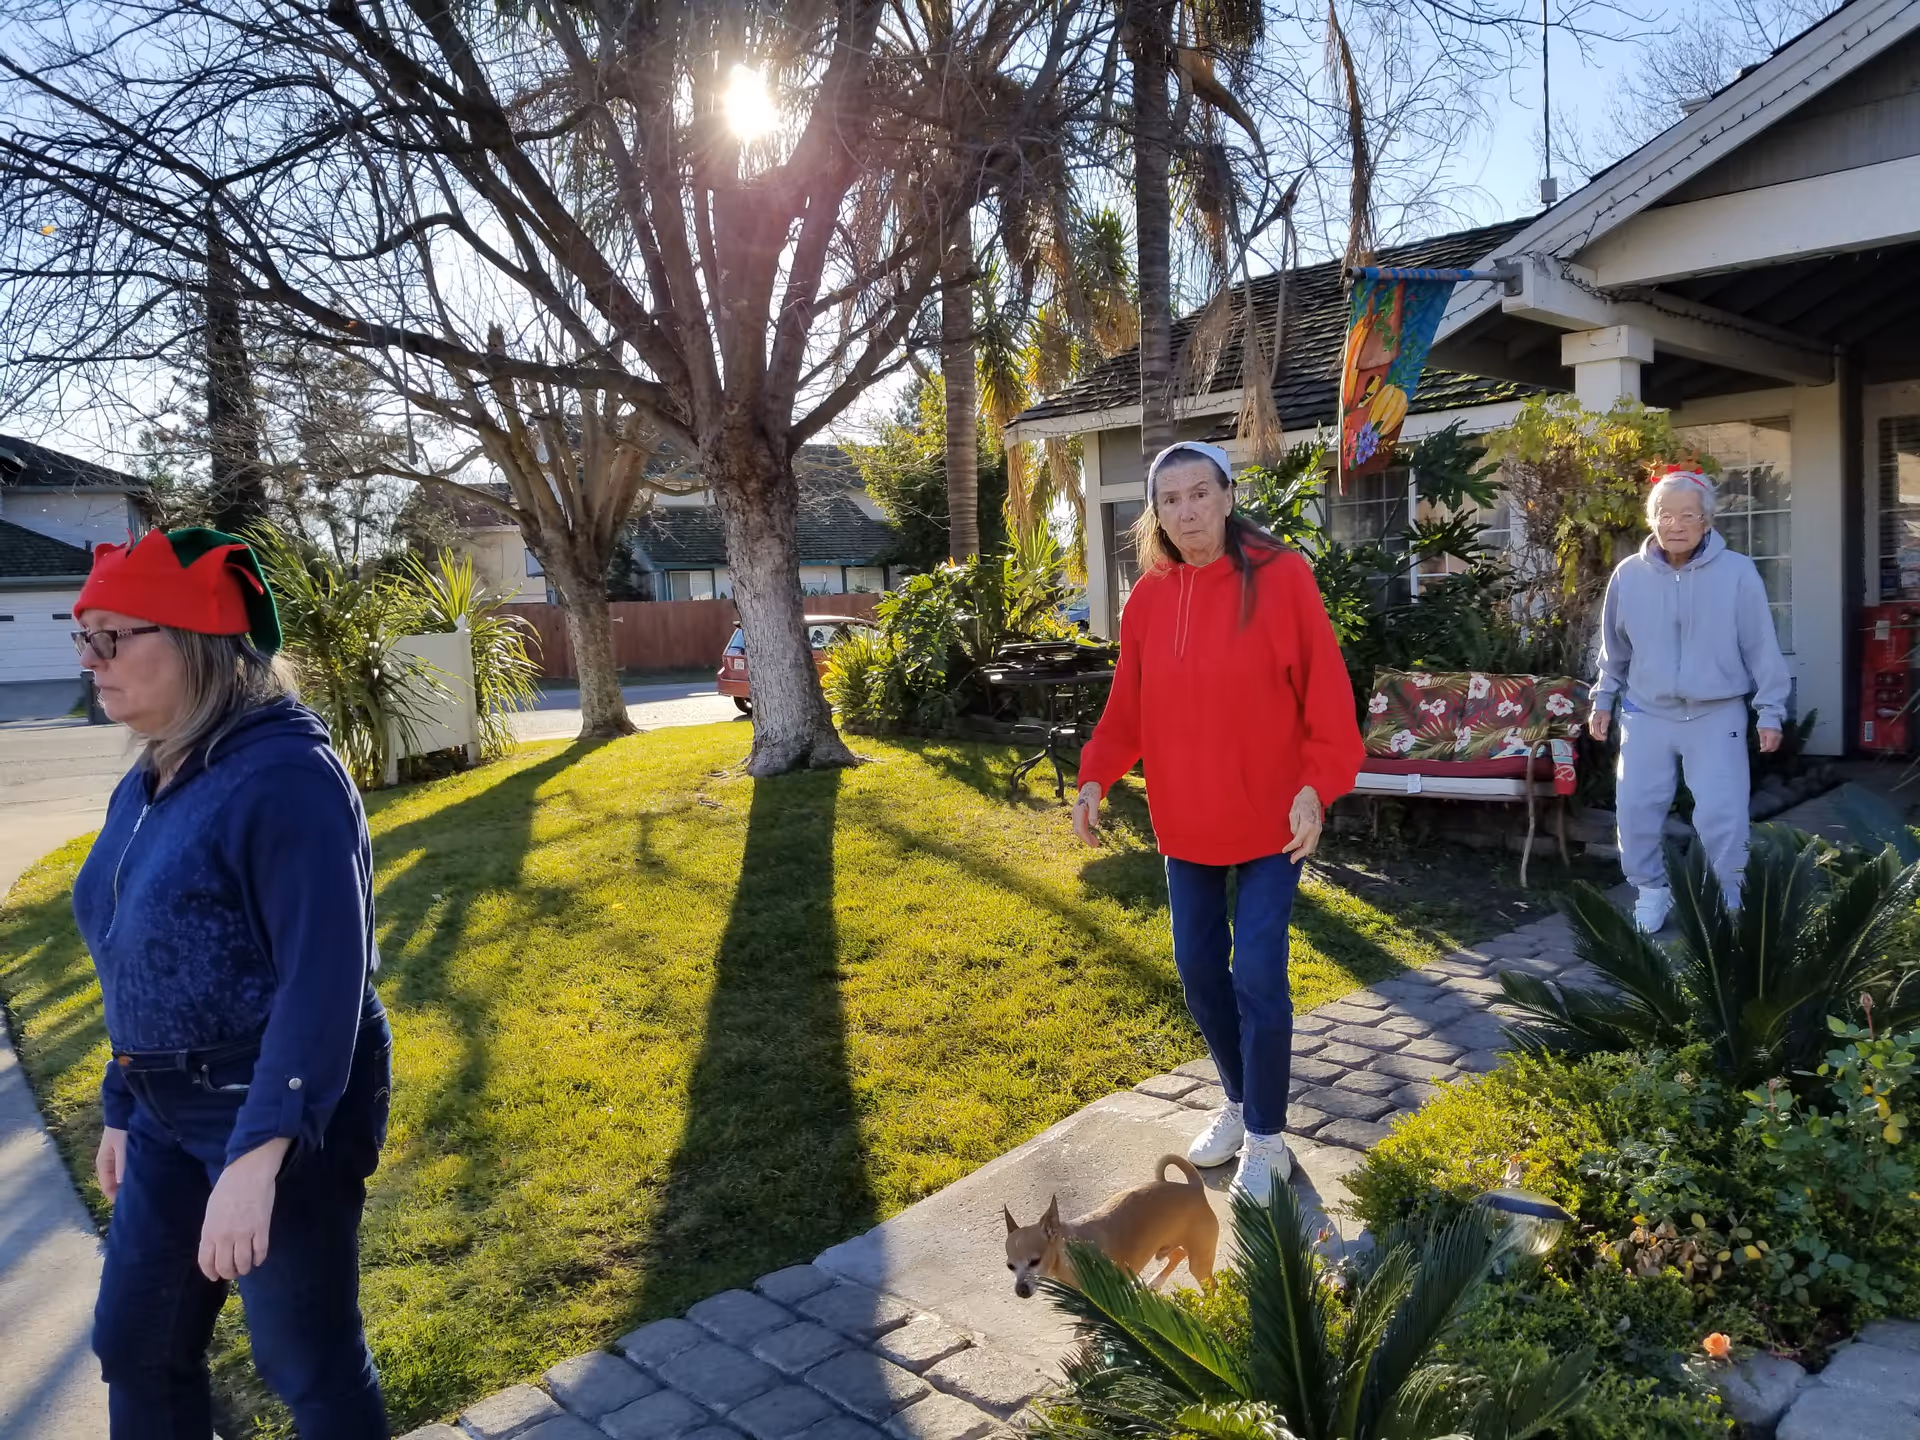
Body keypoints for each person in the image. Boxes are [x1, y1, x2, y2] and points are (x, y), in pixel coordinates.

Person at [70, 527, 391, 1439]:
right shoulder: (151, 776)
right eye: (81, 636)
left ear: (200, 644)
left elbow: (325, 979)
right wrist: (126, 1101)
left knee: (307, 1362)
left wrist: (259, 1158)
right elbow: (132, 948)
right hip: (169, 1113)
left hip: (276, 1106)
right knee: (135, 1344)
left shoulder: (286, 778)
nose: (91, 660)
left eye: (113, 636)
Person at [1071, 442, 1363, 1201]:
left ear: (1229, 498)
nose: (1187, 510)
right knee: (1202, 977)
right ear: (1157, 514)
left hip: (1273, 821)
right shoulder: (1148, 598)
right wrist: (1096, 777)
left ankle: (1267, 1141)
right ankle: (1238, 1104)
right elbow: (1127, 710)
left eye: (1200, 494)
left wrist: (1316, 788)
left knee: (1258, 972)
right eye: (1170, 500)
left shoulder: (1283, 578)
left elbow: (1328, 702)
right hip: (1187, 824)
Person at [1589, 466, 1791, 931]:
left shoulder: (1738, 573)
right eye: (1664, 514)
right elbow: (1613, 649)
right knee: (1637, 809)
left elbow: (1761, 645)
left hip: (1717, 713)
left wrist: (1771, 710)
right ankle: (1650, 890)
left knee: (1723, 814)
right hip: (1646, 712)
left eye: (1686, 515)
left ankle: (1727, 901)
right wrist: (1604, 700)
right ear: (1652, 519)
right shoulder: (1629, 575)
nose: (1674, 525)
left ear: (1707, 522)